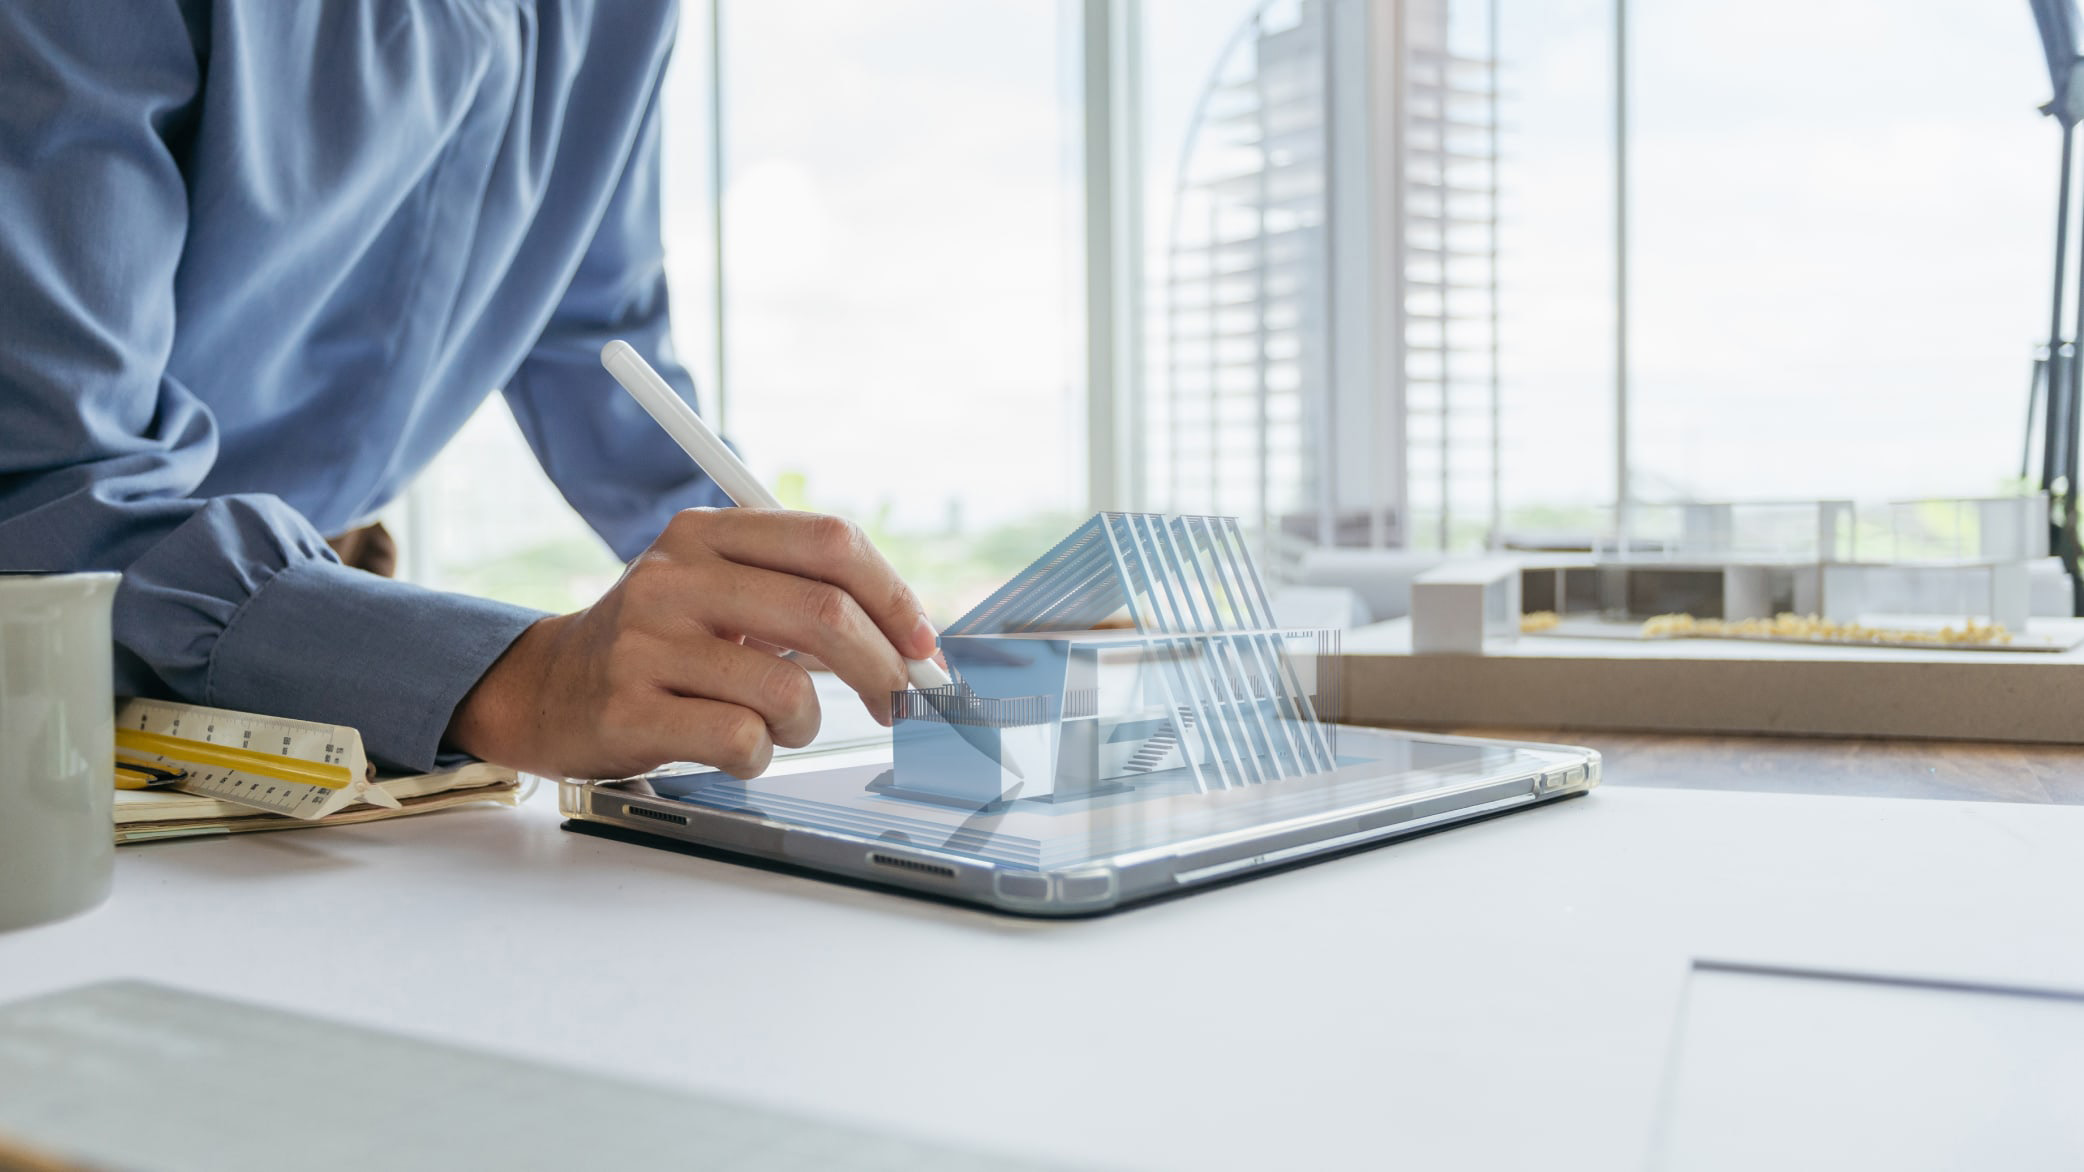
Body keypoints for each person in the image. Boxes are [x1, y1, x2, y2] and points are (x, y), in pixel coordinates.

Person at [0, 3, 938, 781]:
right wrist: (524, 677)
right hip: (59, 670)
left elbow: (599, 336)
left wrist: (795, 600)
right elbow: (50, 496)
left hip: (307, 645)